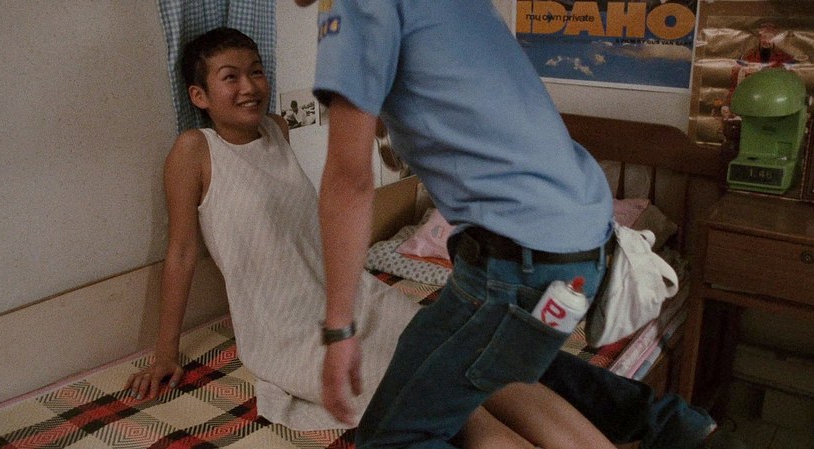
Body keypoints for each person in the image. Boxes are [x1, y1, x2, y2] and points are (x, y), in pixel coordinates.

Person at [124, 26, 622, 449]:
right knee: (459, 407)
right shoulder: (194, 151)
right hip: (286, 325)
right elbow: (182, 253)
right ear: (199, 96)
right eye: (229, 77)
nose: (250, 86)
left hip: (353, 298)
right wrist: (165, 352)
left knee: (484, 371)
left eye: (255, 71)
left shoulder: (276, 128)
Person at [296, 1, 746, 449]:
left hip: (519, 259)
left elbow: (349, 180)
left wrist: (339, 329)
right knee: (509, 361)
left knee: (391, 438)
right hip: (583, 247)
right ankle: (681, 429)